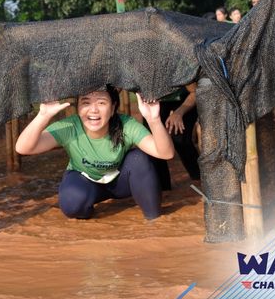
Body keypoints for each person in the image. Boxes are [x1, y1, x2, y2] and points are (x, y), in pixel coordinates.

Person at [15, 86, 175, 220]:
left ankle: (154, 220)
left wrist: (154, 120)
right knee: (72, 204)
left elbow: (165, 153)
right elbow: (23, 148)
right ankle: (90, 213)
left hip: (121, 182)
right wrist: (43, 116)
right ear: (78, 108)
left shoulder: (126, 125)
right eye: (86, 102)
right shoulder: (70, 127)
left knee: (139, 159)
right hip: (85, 183)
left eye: (101, 102)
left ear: (113, 108)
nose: (93, 110)